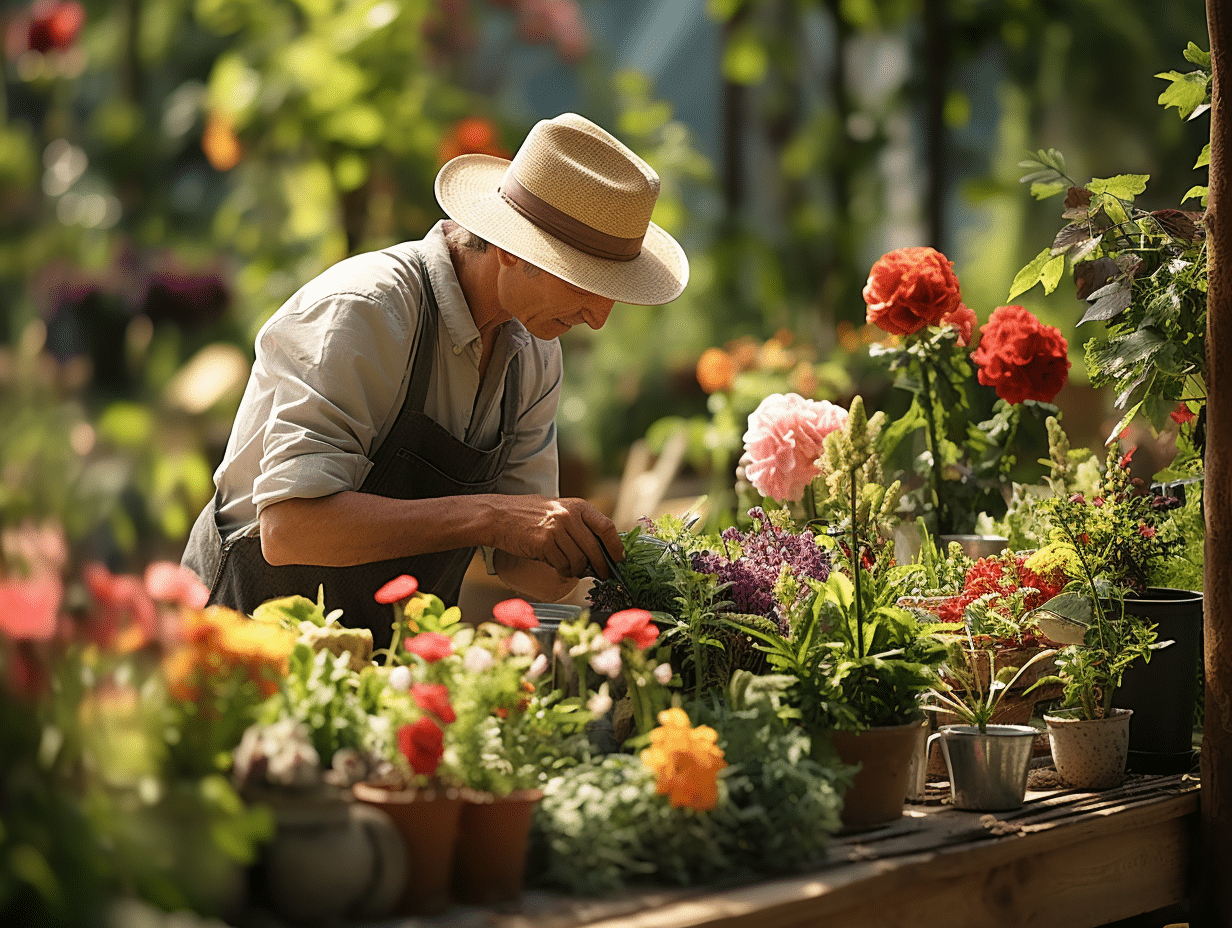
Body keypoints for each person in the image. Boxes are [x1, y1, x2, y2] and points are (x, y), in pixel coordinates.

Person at [182, 113, 689, 649]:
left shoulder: (534, 353)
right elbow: (289, 529)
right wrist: (489, 516)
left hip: (388, 664)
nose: (599, 317)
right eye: (587, 282)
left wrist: (578, 548)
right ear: (512, 250)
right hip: (244, 644)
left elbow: (522, 565)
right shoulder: (367, 311)